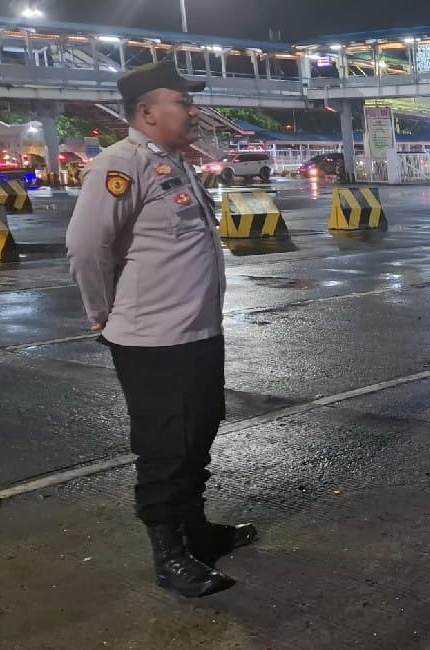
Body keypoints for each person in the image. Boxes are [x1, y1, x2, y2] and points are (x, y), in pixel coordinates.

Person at [66, 60, 255, 598]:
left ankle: (196, 530)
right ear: (147, 111)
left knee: (199, 432)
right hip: (153, 340)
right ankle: (169, 553)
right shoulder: (119, 165)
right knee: (165, 446)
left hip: (197, 332)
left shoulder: (173, 163)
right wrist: (102, 314)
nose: (193, 111)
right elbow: (86, 248)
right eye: (183, 101)